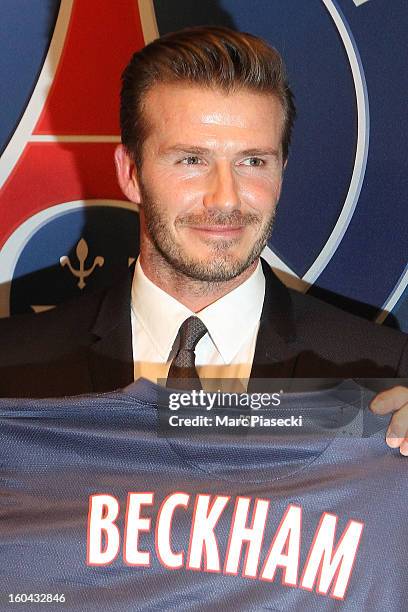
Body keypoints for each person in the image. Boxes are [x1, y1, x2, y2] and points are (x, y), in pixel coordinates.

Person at [0, 26, 407, 452]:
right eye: (192, 160)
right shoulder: (12, 369)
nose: (225, 198)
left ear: (281, 170)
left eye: (252, 161)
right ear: (131, 174)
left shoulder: (383, 373)